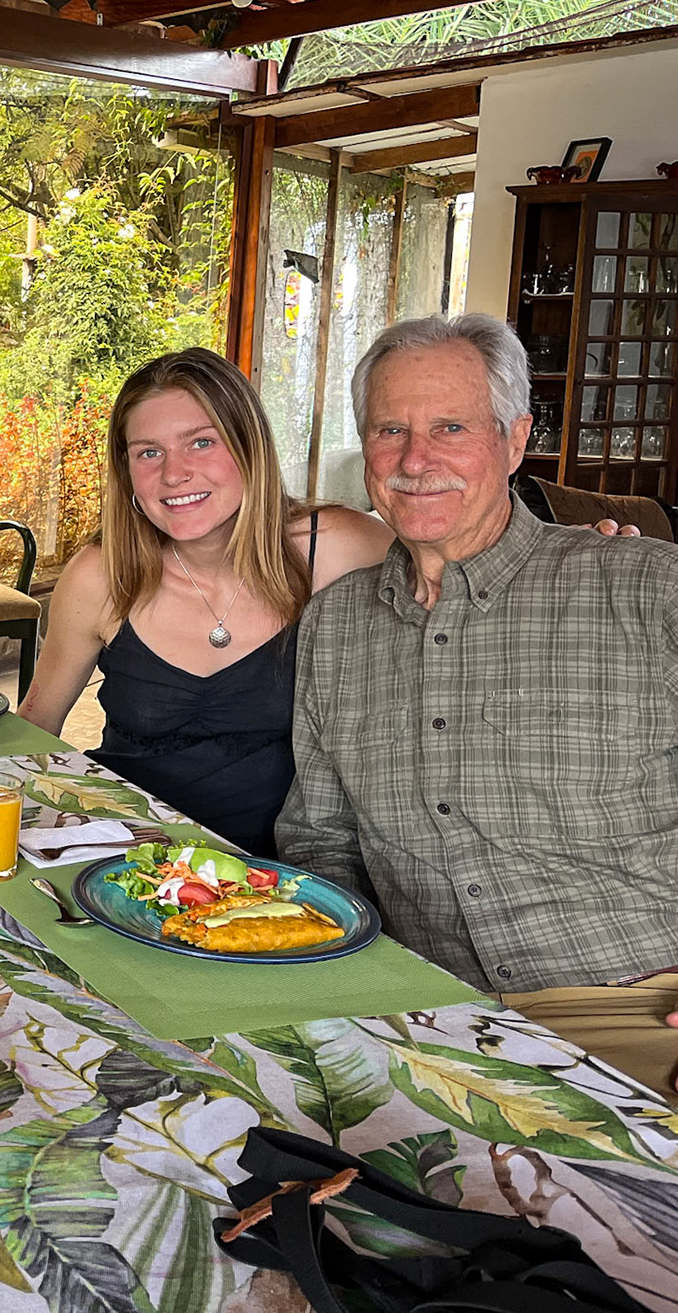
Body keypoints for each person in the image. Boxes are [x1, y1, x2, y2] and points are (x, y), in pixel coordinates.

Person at [277, 314, 678, 1102]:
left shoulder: (645, 586)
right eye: (390, 429)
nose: (415, 459)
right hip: (425, 1014)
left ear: (515, 439)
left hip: (641, 1005)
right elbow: (319, 840)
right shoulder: (337, 621)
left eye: (450, 427)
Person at [19, 348, 393, 855]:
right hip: (125, 863)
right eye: (148, 452)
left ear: (249, 447)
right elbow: (36, 725)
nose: (174, 474)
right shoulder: (102, 575)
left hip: (281, 878)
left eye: (200, 442)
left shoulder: (338, 549)